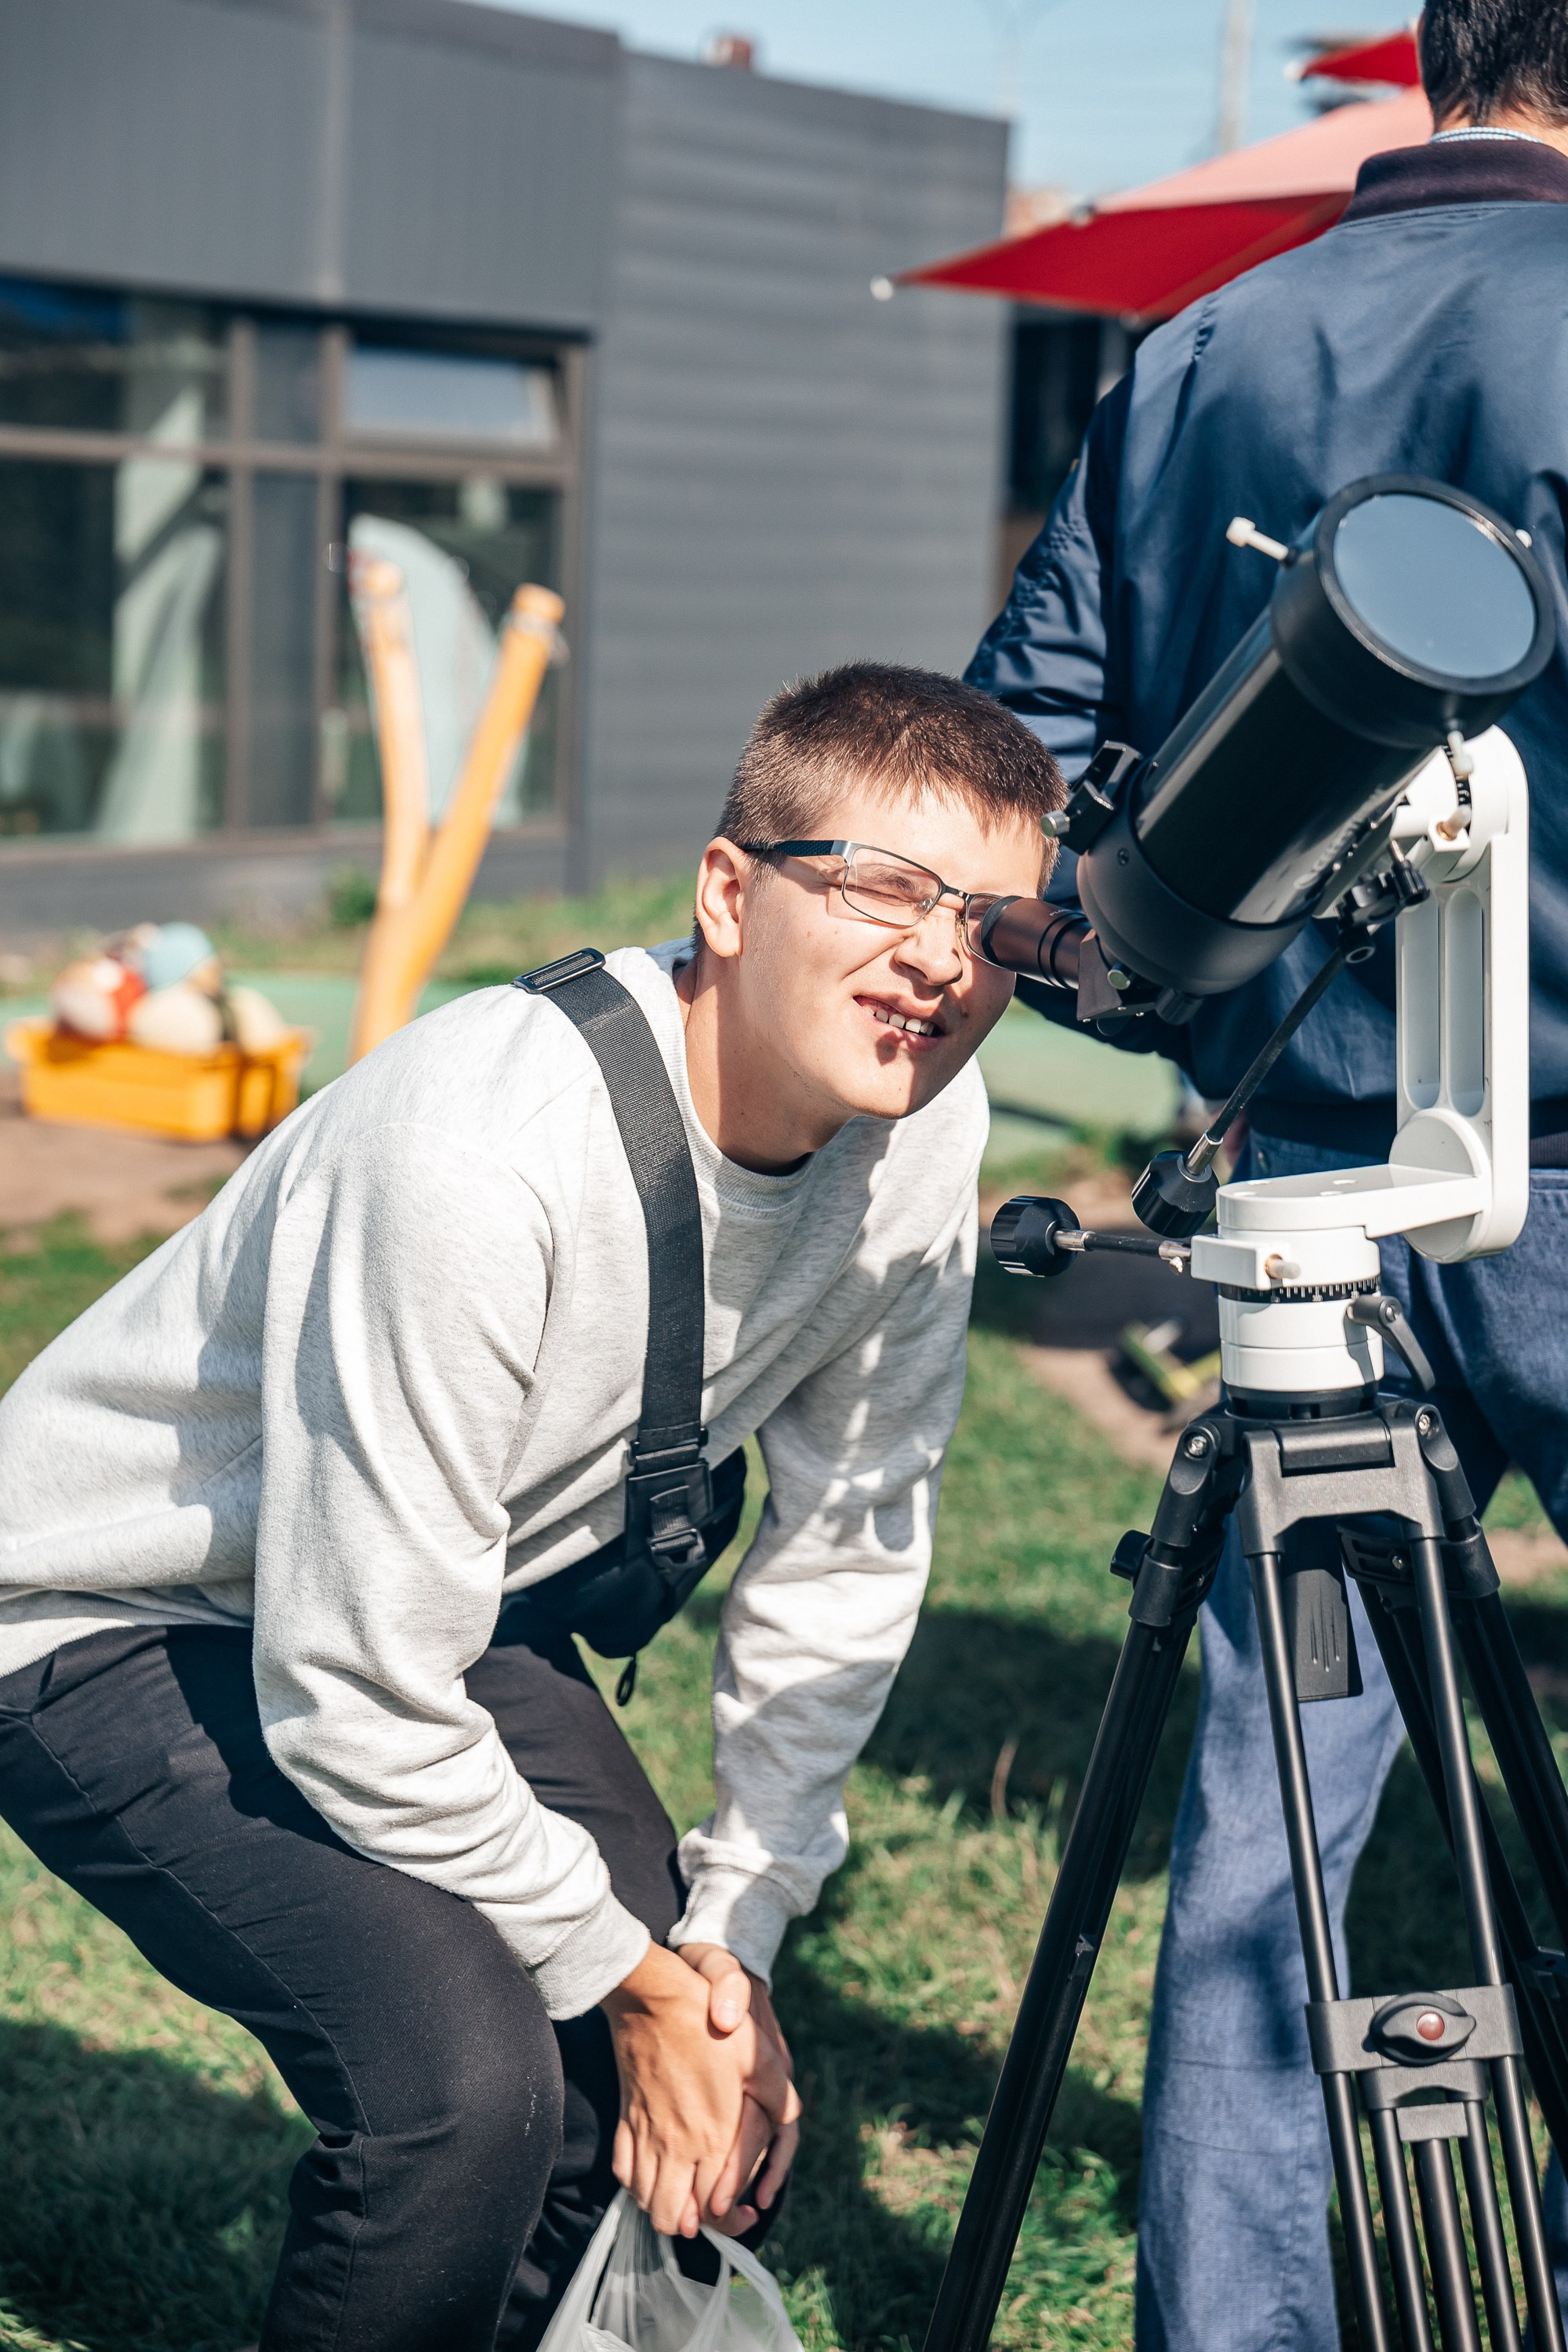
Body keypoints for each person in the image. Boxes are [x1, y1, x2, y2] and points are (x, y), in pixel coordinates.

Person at [0, 663, 1061, 2352]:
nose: (942, 959)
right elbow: (351, 1689)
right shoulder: (477, 1154)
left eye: (997, 923)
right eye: (884, 889)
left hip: (434, 1588)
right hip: (108, 1608)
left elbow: (849, 1541)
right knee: (461, 2087)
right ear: (729, 892)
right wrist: (634, 1982)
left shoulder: (925, 1136)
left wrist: (728, 1944)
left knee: (644, 2040)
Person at [966, 5, 1568, 2346]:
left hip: (1301, 1196)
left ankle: (1234, 2324)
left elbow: (1026, 752)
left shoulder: (1194, 346)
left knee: (1267, 1846)